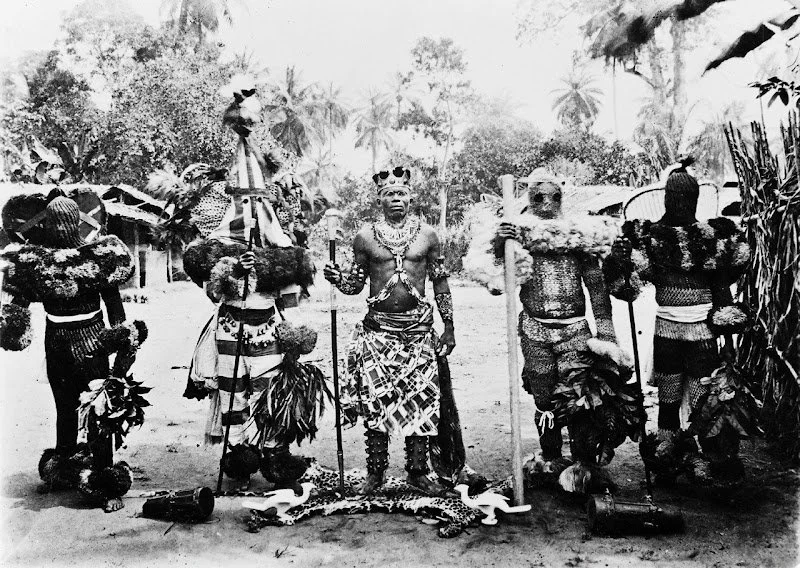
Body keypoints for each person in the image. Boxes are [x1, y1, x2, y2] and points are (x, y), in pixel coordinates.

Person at [466, 169, 634, 494]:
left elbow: (597, 290)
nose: (546, 203)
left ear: (562, 197)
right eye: (538, 197)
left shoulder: (575, 236)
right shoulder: (520, 235)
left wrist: (607, 335)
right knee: (545, 400)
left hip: (575, 332)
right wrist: (502, 241)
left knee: (581, 400)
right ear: (528, 198)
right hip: (534, 330)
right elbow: (495, 278)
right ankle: (551, 458)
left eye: (553, 197)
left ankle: (583, 464)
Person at [182, 86, 316, 489]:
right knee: (232, 393)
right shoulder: (218, 249)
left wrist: (271, 277)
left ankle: (276, 456)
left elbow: (292, 297)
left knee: (270, 390)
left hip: (268, 330)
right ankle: (238, 459)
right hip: (230, 329)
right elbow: (211, 291)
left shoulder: (282, 251)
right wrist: (232, 273)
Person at [603, 158, 750, 483]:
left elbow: (729, 269)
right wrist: (622, 266)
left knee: (701, 397)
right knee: (669, 396)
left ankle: (702, 456)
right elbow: (626, 286)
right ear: (670, 199)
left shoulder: (708, 237)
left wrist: (725, 313)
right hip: (669, 332)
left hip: (699, 331)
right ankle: (669, 454)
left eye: (685, 198)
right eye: (677, 198)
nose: (681, 204)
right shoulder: (655, 238)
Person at [323, 166, 460, 496]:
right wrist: (337, 278)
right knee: (376, 404)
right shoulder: (365, 238)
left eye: (401, 193)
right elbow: (356, 285)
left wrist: (449, 328)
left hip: (419, 333)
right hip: (377, 334)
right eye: (389, 194)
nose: (396, 199)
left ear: (411, 197)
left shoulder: (427, 236)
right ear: (379, 199)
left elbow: (440, 282)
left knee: (421, 403)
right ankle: (376, 473)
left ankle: (417, 471)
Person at [0, 190, 135, 511]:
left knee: (95, 408)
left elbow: (115, 307)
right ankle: (69, 466)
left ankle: (102, 478)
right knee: (70, 406)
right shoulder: (43, 264)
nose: (60, 230)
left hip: (84, 340)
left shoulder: (91, 260)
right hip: (66, 340)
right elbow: (18, 307)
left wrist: (122, 340)